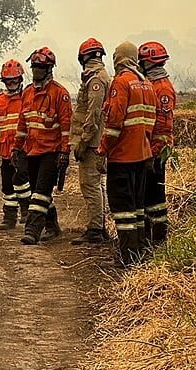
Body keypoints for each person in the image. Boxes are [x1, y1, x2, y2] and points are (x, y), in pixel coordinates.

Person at [97, 41, 157, 267]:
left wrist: (102, 150)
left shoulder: (121, 82)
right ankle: (139, 252)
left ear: (118, 58)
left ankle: (127, 256)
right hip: (142, 155)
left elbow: (114, 122)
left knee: (123, 210)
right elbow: (151, 122)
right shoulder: (147, 84)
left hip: (122, 156)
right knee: (138, 208)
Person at [13, 47, 72, 245]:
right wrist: (16, 148)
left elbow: (66, 127)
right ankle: (52, 226)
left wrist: (64, 152)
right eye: (34, 67)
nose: (36, 70)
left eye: (40, 67)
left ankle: (32, 231)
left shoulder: (60, 94)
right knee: (40, 192)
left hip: (51, 152)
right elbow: (22, 124)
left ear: (49, 69)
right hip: (32, 151)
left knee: (40, 193)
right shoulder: (27, 93)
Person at [70, 38, 111, 245]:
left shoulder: (96, 80)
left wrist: (83, 141)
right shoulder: (99, 76)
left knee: (90, 185)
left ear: (82, 58)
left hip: (92, 143)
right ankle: (99, 226)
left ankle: (95, 230)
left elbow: (93, 114)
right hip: (96, 141)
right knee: (97, 185)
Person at [0, 59, 30, 230]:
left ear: (20, 79)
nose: (11, 83)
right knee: (7, 186)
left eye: (14, 80)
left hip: (23, 149)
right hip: (6, 151)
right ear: (4, 81)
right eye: (8, 80)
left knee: (21, 179)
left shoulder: (27, 98)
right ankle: (9, 218)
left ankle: (26, 210)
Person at [138, 41, 176, 248]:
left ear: (149, 63)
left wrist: (153, 153)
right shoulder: (151, 85)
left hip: (156, 150)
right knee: (146, 194)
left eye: (142, 62)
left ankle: (158, 238)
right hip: (148, 149)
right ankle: (147, 237)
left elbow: (162, 127)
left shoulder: (162, 89)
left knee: (155, 196)